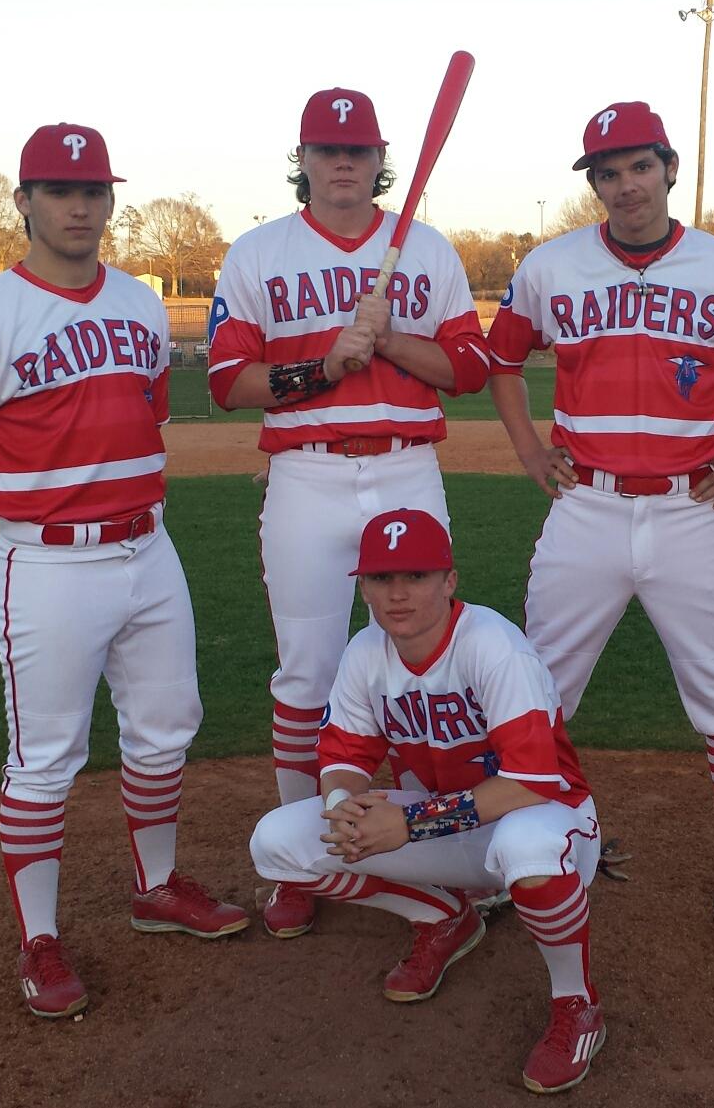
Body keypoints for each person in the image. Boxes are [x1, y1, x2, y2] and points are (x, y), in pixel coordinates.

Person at [0, 122, 248, 1020]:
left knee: (167, 726)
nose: (79, 205)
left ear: (110, 200)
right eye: (60, 190)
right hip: (49, 563)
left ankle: (157, 884)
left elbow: (151, 416)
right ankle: (39, 937)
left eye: (94, 190)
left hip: (151, 548)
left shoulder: (141, 305)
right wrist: (35, 508)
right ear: (22, 201)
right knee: (45, 758)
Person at [484, 101, 714, 955]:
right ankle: (525, 855)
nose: (625, 184)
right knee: (540, 690)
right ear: (592, 184)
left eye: (639, 165)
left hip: (688, 510)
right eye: (607, 171)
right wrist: (528, 449)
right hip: (585, 506)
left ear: (669, 167)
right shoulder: (551, 266)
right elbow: (500, 362)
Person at [209, 87, 492, 940]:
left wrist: (394, 339)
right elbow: (228, 383)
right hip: (305, 474)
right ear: (303, 159)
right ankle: (311, 852)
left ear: (379, 161)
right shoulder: (258, 252)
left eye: (358, 150)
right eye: (327, 149)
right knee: (305, 674)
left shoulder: (429, 250)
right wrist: (327, 365)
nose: (343, 162)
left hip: (406, 468)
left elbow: (471, 368)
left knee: (418, 667)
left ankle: (421, 842)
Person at [249, 508, 607, 1094]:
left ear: (449, 580)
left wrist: (410, 822)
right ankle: (441, 916)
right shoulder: (367, 652)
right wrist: (344, 806)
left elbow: (531, 782)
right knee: (278, 843)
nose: (397, 594)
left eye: (415, 576)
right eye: (381, 579)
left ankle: (577, 1001)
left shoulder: (493, 647)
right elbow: (344, 757)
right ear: (362, 586)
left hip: (548, 821)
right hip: (445, 827)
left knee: (527, 849)